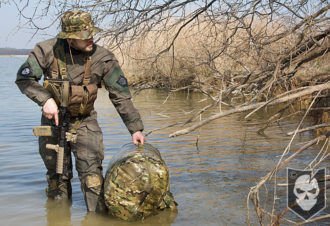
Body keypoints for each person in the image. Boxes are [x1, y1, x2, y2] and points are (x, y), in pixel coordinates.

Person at [15, 10, 146, 212]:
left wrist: (135, 128)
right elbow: (24, 79)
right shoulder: (45, 50)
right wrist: (45, 99)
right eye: (84, 37)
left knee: (92, 178)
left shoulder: (103, 57)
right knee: (57, 179)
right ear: (69, 38)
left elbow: (120, 95)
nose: (91, 39)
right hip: (54, 124)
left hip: (85, 122)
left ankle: (96, 219)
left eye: (91, 33)